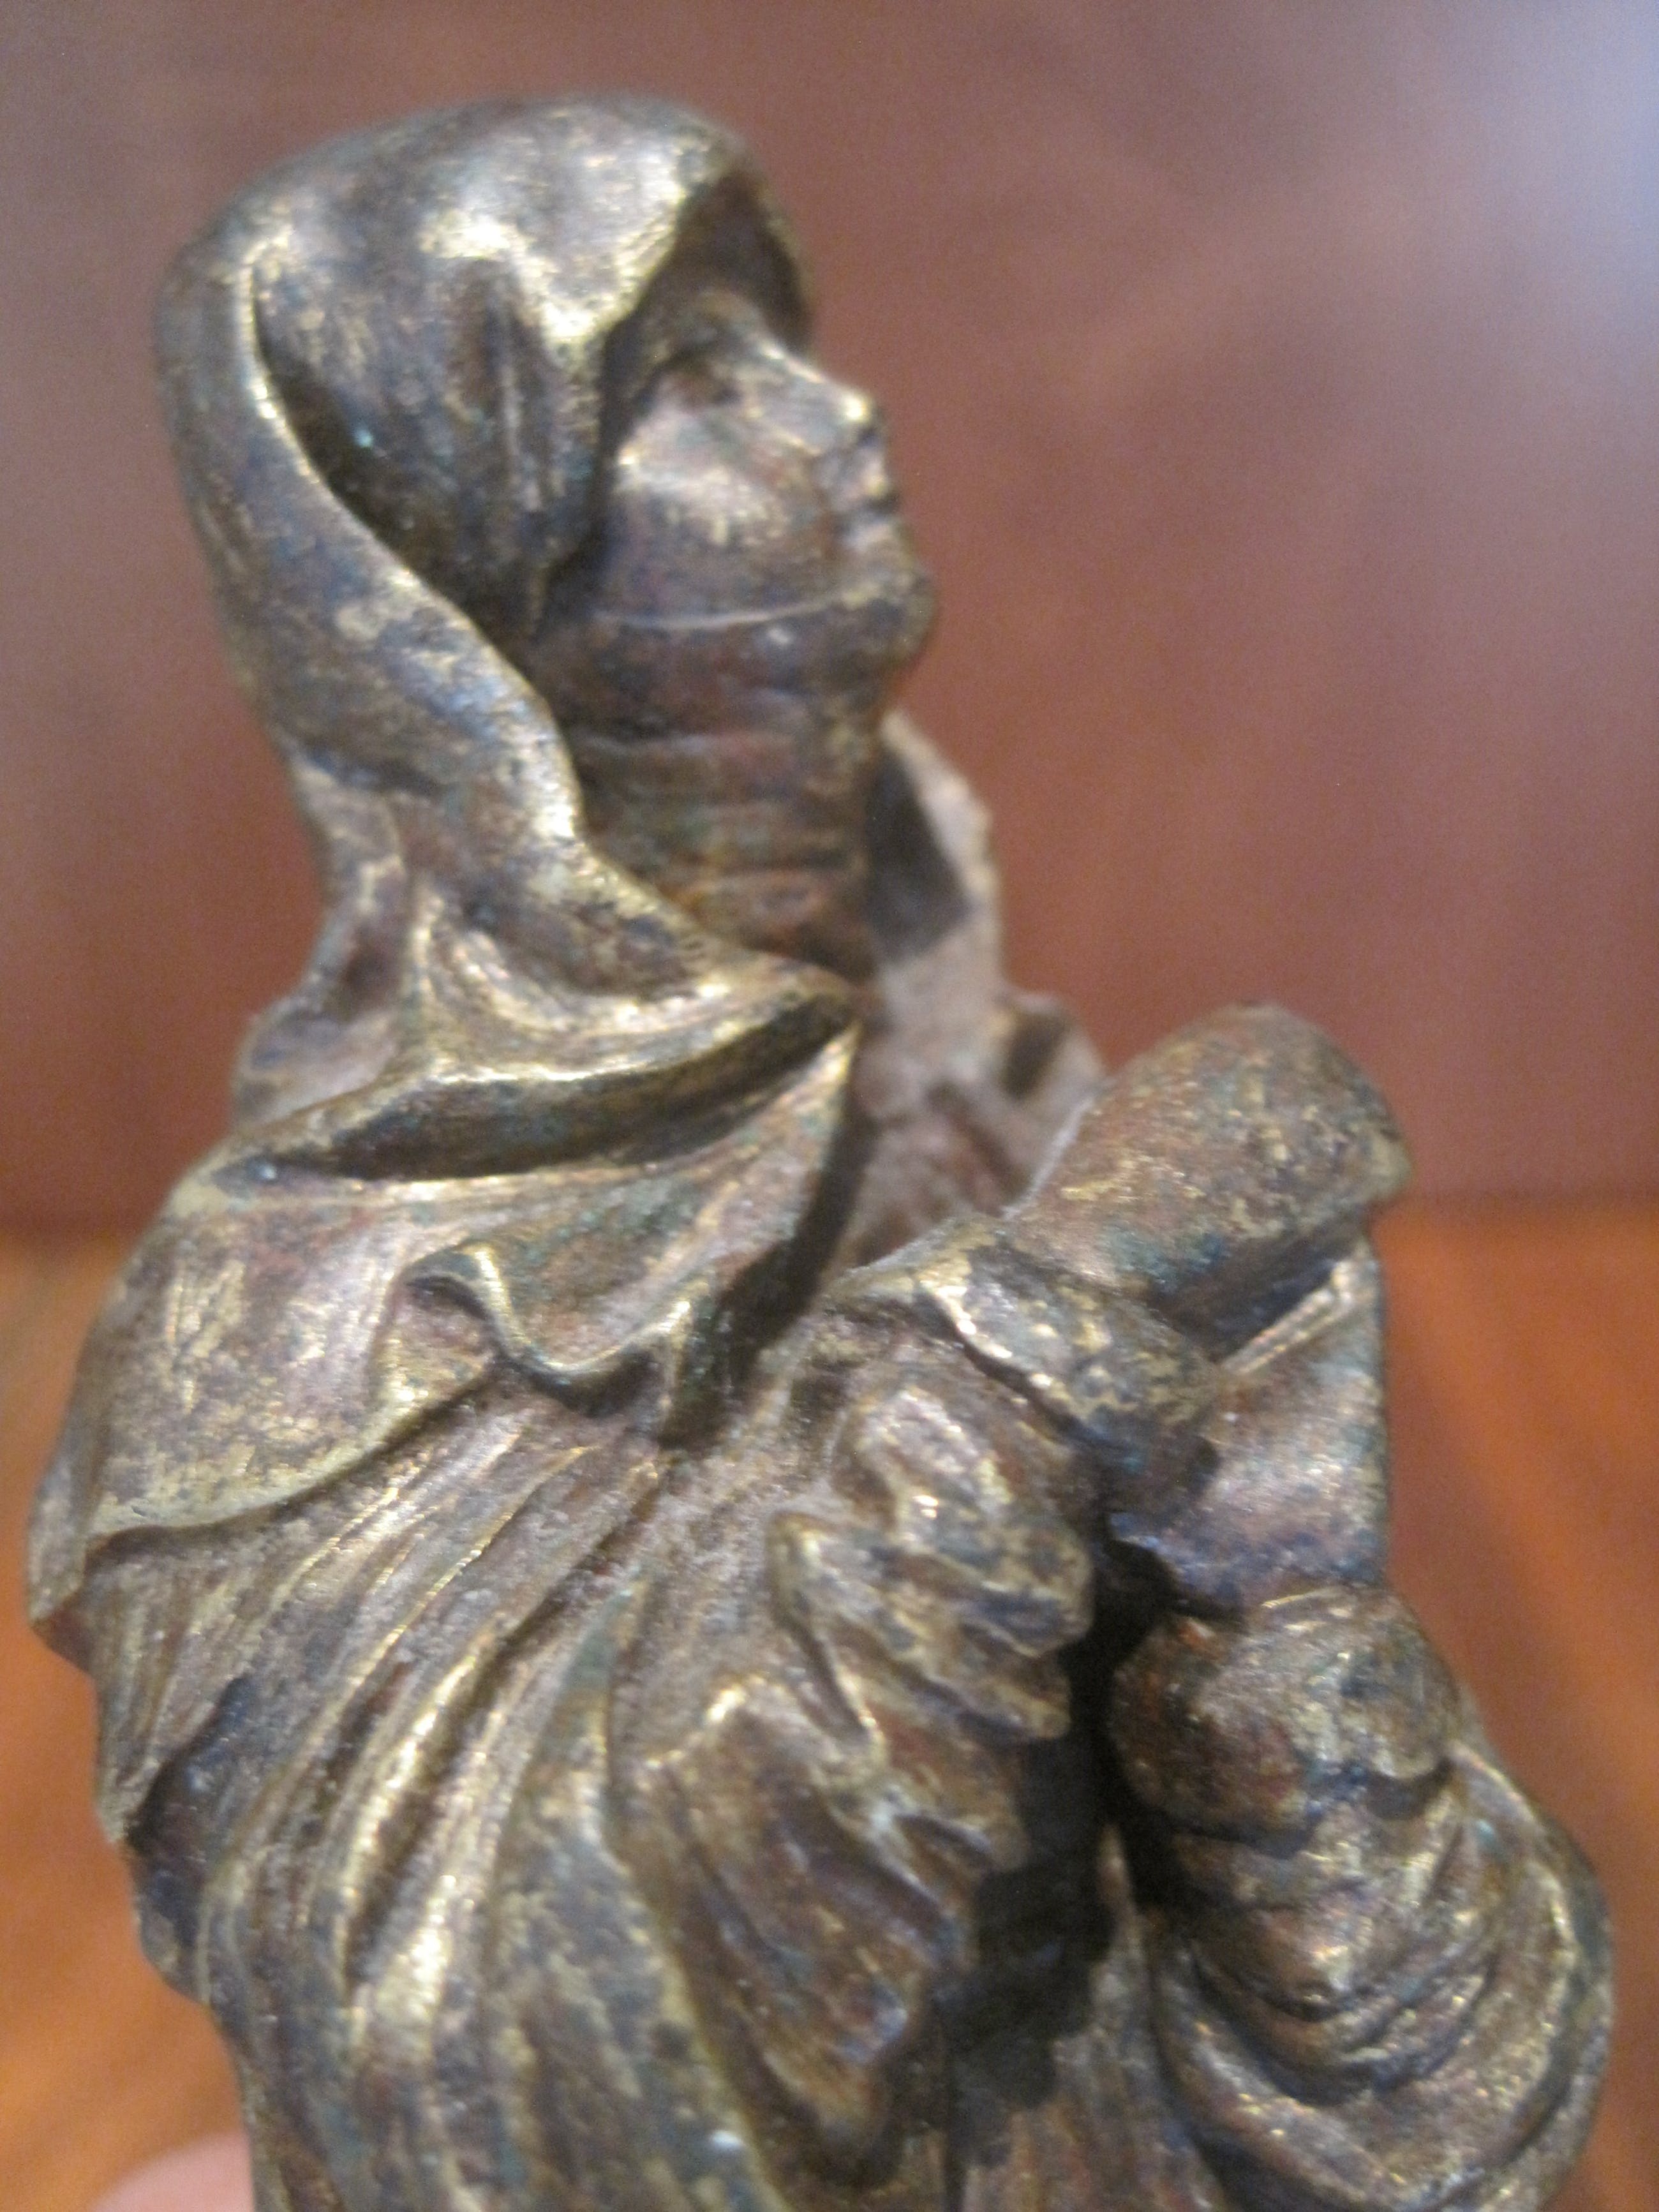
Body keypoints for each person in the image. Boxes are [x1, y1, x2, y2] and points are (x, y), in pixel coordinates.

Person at [38, 100, 1607, 2212]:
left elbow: (1425, 2119)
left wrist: (1280, 1623)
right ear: (450, 575)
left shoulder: (988, 1112)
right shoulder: (314, 1315)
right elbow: (512, 2113)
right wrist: (1036, 1348)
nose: (836, 412)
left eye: (781, 345)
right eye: (689, 377)